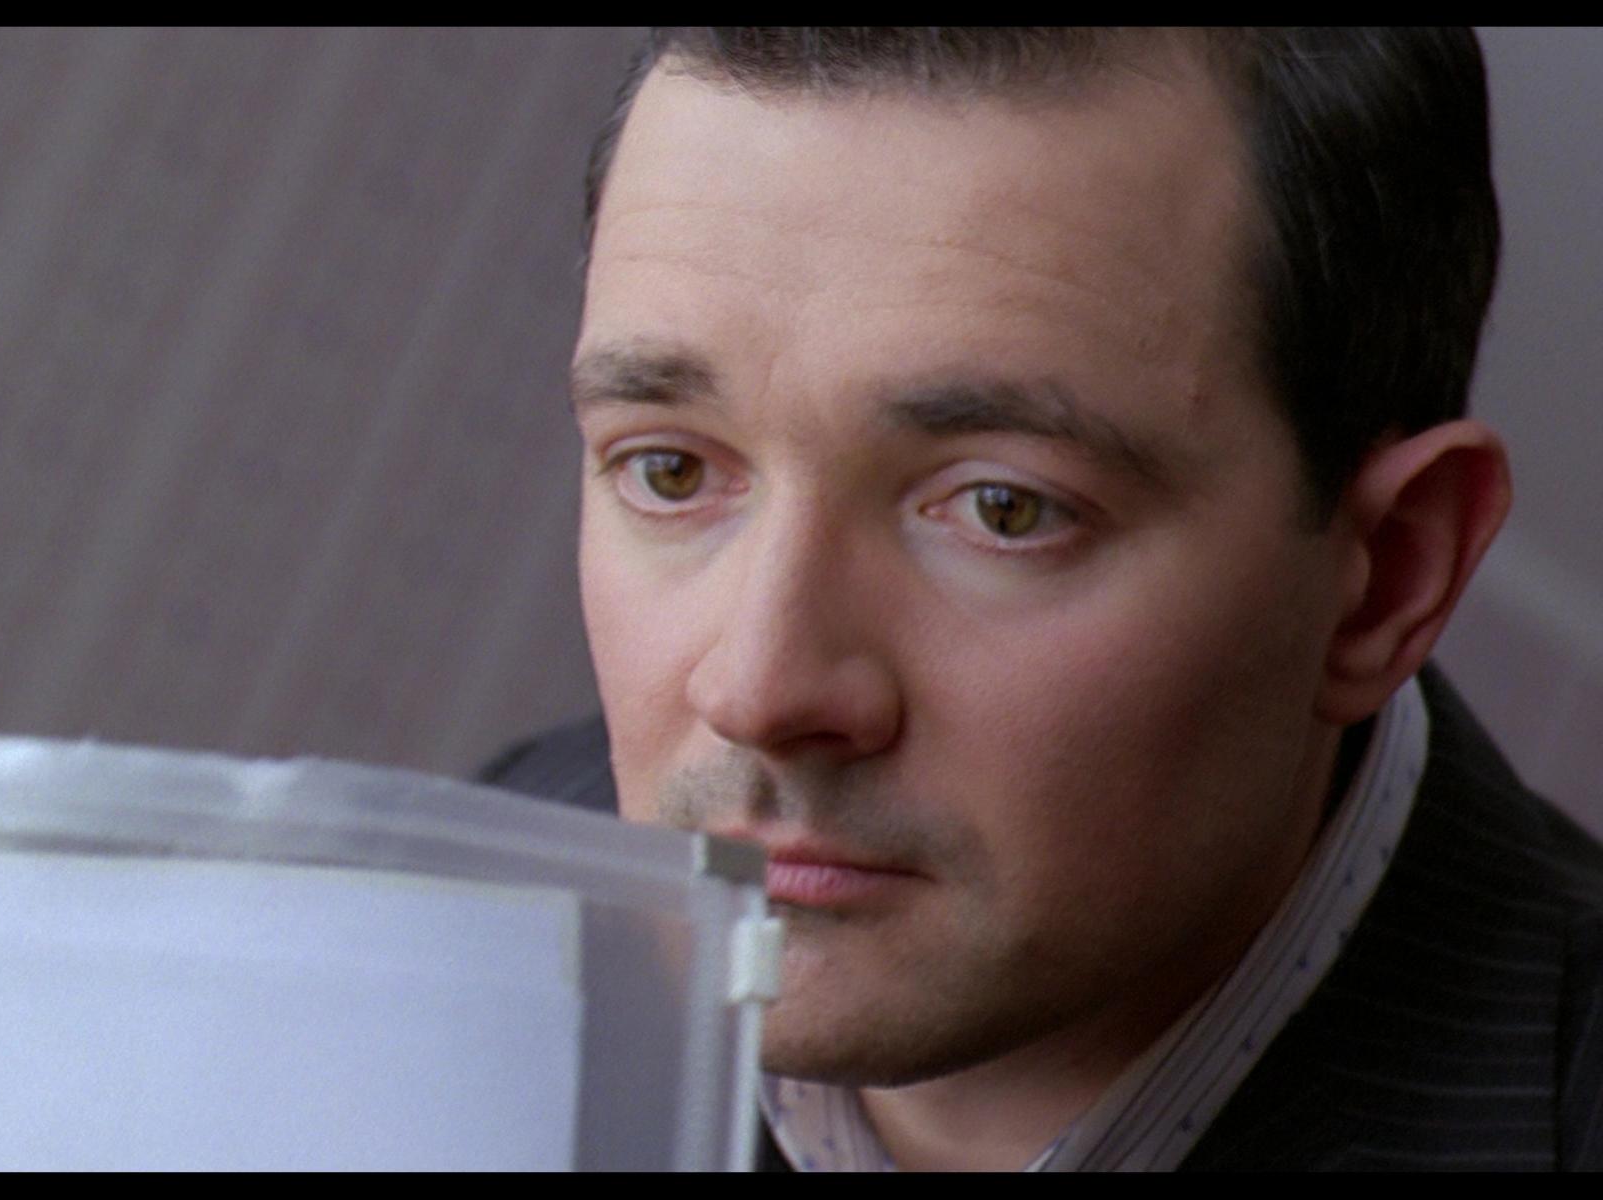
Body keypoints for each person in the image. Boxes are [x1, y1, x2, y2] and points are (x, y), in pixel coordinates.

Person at [482, 27, 1603, 1170]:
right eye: (671, 470)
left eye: (1004, 510)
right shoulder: (466, 912)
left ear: (1387, 579)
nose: (759, 691)